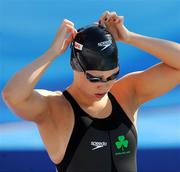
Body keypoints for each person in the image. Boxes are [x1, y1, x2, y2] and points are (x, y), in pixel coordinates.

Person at [2, 11, 180, 172]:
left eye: (112, 76)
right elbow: (12, 96)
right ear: (75, 66)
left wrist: (130, 37)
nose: (104, 85)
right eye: (95, 78)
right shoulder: (56, 109)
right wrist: (52, 53)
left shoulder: (127, 94)